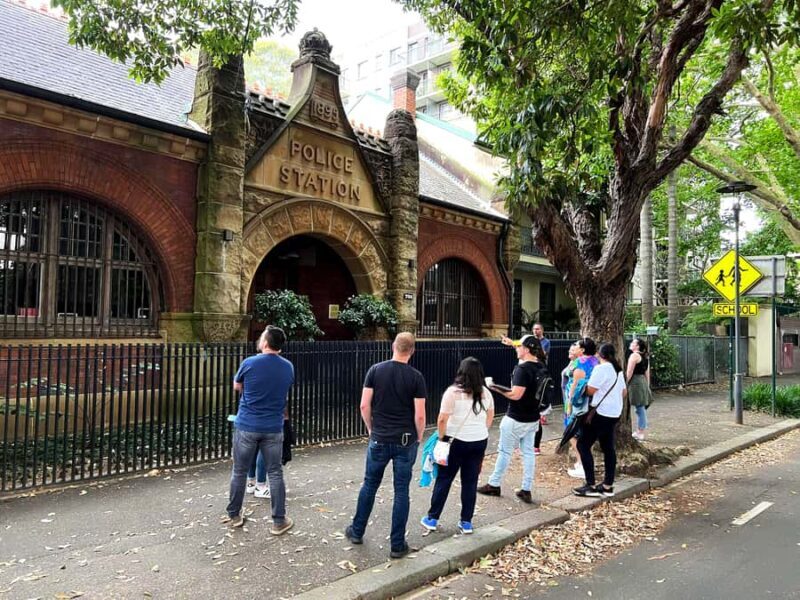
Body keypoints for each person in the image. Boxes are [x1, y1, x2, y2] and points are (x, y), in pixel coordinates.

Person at [346, 332, 427, 559]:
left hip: (379, 438)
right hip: (405, 440)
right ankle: (397, 544)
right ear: (412, 351)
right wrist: (418, 436)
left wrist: (371, 428)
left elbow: (364, 405)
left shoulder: (375, 370)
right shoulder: (416, 377)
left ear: (393, 346)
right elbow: (420, 416)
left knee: (370, 485)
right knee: (401, 492)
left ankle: (357, 530)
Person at [225, 325, 294, 534]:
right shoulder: (288, 367)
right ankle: (279, 521)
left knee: (239, 471)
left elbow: (237, 386)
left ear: (265, 342)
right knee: (275, 472)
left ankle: (234, 515)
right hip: (273, 426)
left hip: (247, 424)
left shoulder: (249, 363)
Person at [421, 357, 494, 535]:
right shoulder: (486, 393)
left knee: (444, 479)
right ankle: (466, 522)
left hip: (454, 441)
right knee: (470, 481)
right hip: (478, 441)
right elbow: (490, 416)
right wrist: (480, 430)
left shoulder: (452, 393)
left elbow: (442, 419)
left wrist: (441, 437)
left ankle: (432, 518)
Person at [478, 335, 546, 504]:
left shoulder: (522, 370)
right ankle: (526, 488)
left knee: (504, 452)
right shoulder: (541, 366)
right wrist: (511, 343)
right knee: (528, 453)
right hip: (533, 418)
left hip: (516, 417)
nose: (516, 348)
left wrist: (493, 387)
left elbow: (516, 395)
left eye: (518, 346)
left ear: (527, 349)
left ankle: (494, 484)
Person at [573, 343, 627, 498]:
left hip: (599, 413)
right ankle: (607, 485)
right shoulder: (618, 371)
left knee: (583, 444)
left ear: (599, 354)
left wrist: (583, 383)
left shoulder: (600, 369)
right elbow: (623, 392)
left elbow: (591, 390)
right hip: (614, 413)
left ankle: (589, 484)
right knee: (608, 447)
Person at [565, 338, 598, 479]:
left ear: (583, 350)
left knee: (572, 432)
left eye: (577, 346)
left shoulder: (580, 362)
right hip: (591, 402)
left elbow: (575, 384)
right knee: (586, 433)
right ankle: (584, 463)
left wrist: (569, 404)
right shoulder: (596, 361)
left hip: (578, 402)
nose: (575, 347)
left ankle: (581, 463)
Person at [626, 338, 652, 440]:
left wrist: (625, 383)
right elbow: (647, 373)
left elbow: (629, 372)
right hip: (642, 382)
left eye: (633, 343)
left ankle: (640, 431)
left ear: (637, 346)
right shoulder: (645, 356)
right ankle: (640, 430)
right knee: (640, 407)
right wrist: (647, 385)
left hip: (635, 382)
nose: (631, 344)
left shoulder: (634, 356)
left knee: (640, 408)